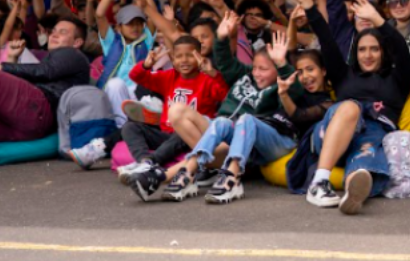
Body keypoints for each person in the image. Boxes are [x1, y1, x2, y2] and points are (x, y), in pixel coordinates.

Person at [126, 11, 299, 202]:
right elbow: (225, 60)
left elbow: (296, 90)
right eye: (255, 67)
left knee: (245, 120)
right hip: (226, 136)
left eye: (264, 69)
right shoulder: (246, 74)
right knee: (185, 111)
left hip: (256, 141)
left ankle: (211, 176)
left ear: (278, 71)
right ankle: (185, 174)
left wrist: (282, 64)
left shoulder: (281, 85)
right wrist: (222, 36)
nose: (256, 73)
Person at [293, 0, 410, 215]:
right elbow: (326, 40)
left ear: (383, 52)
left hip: (371, 136)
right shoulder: (344, 74)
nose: (367, 55)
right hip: (334, 130)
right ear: (355, 53)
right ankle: (319, 183)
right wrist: (309, 5)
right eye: (362, 50)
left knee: (363, 164)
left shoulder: (397, 79)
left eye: (374, 49)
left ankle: (353, 192)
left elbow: (401, 48)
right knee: (351, 107)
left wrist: (378, 20)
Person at [0, 16, 90, 178]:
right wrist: (12, 59)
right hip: (24, 121)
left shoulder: (73, 55)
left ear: (77, 42)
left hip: (41, 109)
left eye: (62, 32)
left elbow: (45, 71)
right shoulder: (48, 59)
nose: (53, 35)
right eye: (53, 31)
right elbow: (19, 84)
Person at [69, 35, 228, 172]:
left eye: (190, 55)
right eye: (179, 56)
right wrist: (146, 65)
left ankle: (152, 162)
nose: (184, 60)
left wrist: (212, 73)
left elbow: (223, 95)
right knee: (130, 126)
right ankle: (144, 161)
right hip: (165, 133)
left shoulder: (206, 79)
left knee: (180, 133)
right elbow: (136, 76)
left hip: (188, 136)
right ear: (173, 58)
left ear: (200, 56)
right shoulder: (169, 77)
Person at [94, 0, 156, 127]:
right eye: (130, 24)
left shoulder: (146, 40)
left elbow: (154, 14)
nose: (135, 28)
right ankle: (123, 128)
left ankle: (146, 121)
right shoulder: (112, 41)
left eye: (139, 23)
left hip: (139, 93)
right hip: (115, 93)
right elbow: (99, 15)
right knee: (116, 84)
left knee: (150, 93)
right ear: (119, 27)